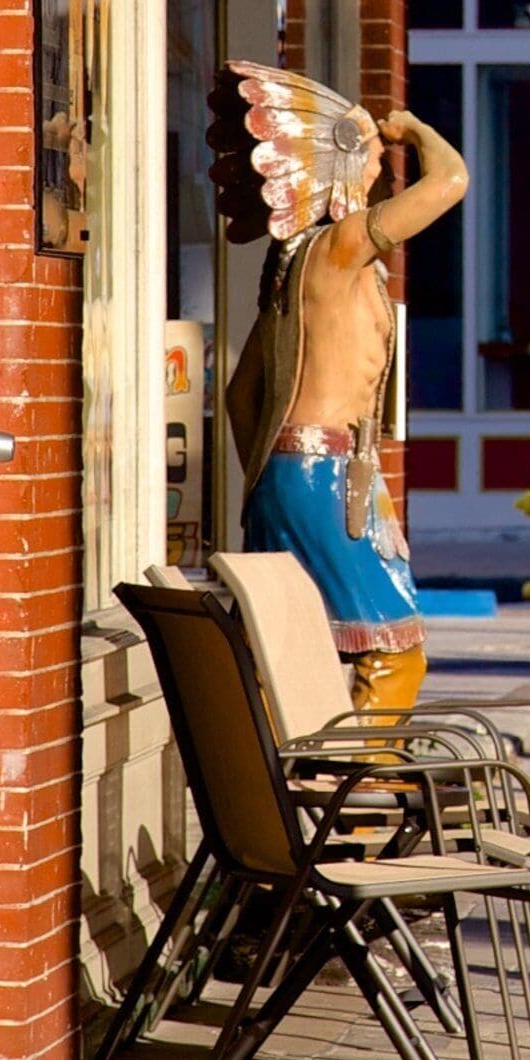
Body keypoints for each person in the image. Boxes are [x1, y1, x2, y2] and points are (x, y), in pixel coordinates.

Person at [216, 62, 468, 719]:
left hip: (288, 471)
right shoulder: (338, 247)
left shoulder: (290, 266)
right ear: (342, 166)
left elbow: (243, 397)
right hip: (326, 471)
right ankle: (361, 792)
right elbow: (452, 182)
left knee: (295, 644)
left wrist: (273, 476)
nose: (383, 168)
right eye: (374, 157)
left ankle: (297, 773)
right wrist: (414, 127)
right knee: (394, 646)